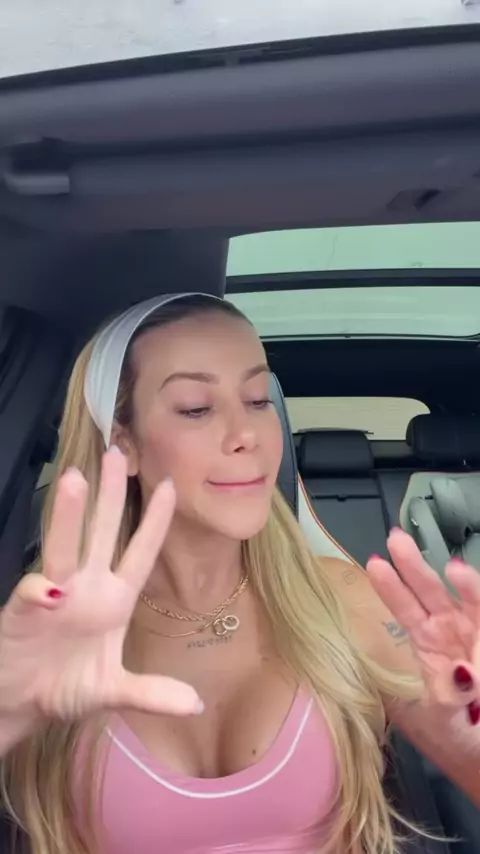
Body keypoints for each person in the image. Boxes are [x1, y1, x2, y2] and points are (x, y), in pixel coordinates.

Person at [0, 292, 479, 854]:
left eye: (257, 400)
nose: (246, 432)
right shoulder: (53, 634)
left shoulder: (341, 601)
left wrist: (467, 723)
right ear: (123, 440)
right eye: (196, 408)